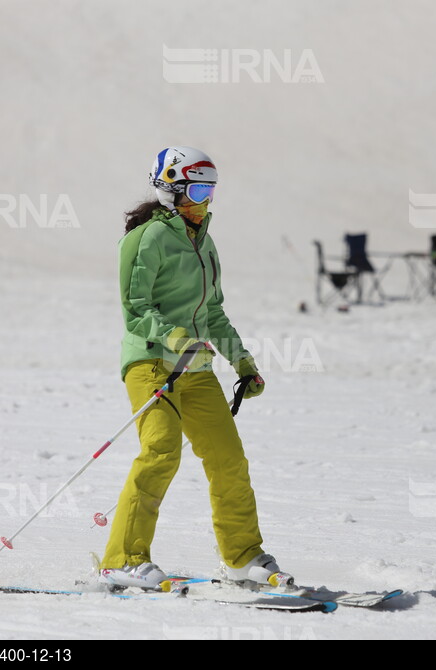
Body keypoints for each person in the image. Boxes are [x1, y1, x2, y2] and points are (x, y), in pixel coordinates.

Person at [98, 146, 289, 590]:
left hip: (196, 368)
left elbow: (214, 313)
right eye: (199, 188)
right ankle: (122, 560)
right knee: (161, 452)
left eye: (211, 190)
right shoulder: (146, 238)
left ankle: (243, 557)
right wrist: (176, 337)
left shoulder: (204, 241)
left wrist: (242, 362)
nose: (206, 199)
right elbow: (136, 309)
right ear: (171, 188)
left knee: (229, 460)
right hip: (150, 362)